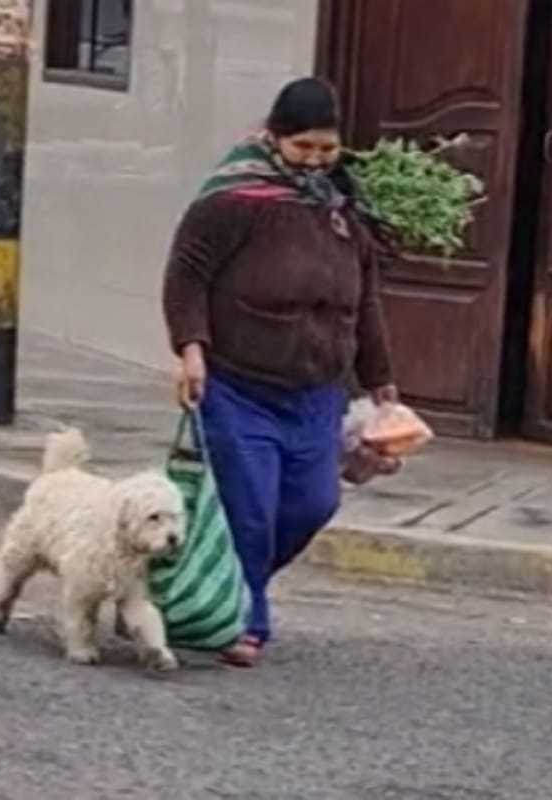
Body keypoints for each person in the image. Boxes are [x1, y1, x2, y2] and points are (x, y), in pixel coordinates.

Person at [161, 77, 399, 667]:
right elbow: (186, 273)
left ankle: (201, 588)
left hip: (318, 391)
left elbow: (364, 299)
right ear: (274, 138)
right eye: (302, 149)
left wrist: (381, 380)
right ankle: (246, 620)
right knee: (251, 508)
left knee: (313, 502)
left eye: (326, 149)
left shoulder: (341, 208)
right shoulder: (234, 199)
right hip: (239, 385)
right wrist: (190, 347)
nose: (315, 161)